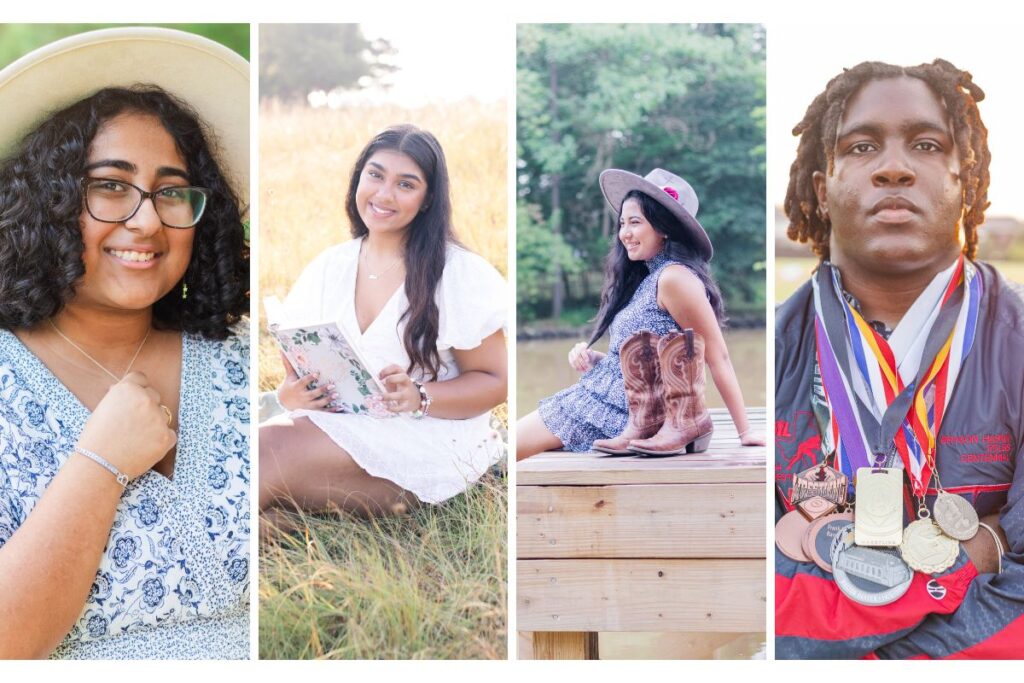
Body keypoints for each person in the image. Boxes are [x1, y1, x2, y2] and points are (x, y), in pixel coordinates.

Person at [0, 28, 250, 659]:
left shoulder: (240, 359)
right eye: (110, 185)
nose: (146, 220)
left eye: (171, 191)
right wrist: (101, 462)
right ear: (45, 201)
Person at [775, 59, 1023, 658]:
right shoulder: (774, 345)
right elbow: (746, 580)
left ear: (964, 178)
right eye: (861, 146)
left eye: (926, 144)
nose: (893, 167)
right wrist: (975, 556)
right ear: (821, 188)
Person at [259, 124, 507, 520]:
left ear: (427, 200)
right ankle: (277, 524)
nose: (383, 194)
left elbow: (495, 382)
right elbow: (296, 370)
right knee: (250, 452)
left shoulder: (458, 272)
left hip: (424, 436)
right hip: (339, 426)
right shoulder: (329, 266)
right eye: (375, 175)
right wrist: (292, 396)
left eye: (405, 184)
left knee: (264, 451)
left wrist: (420, 397)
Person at [517, 168, 764, 461]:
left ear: (664, 227)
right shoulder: (648, 278)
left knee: (511, 449)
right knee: (512, 451)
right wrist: (596, 359)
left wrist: (744, 430)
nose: (625, 233)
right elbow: (646, 360)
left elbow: (717, 355)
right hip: (603, 401)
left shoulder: (674, 278)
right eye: (622, 223)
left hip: (618, 412)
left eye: (635, 222)